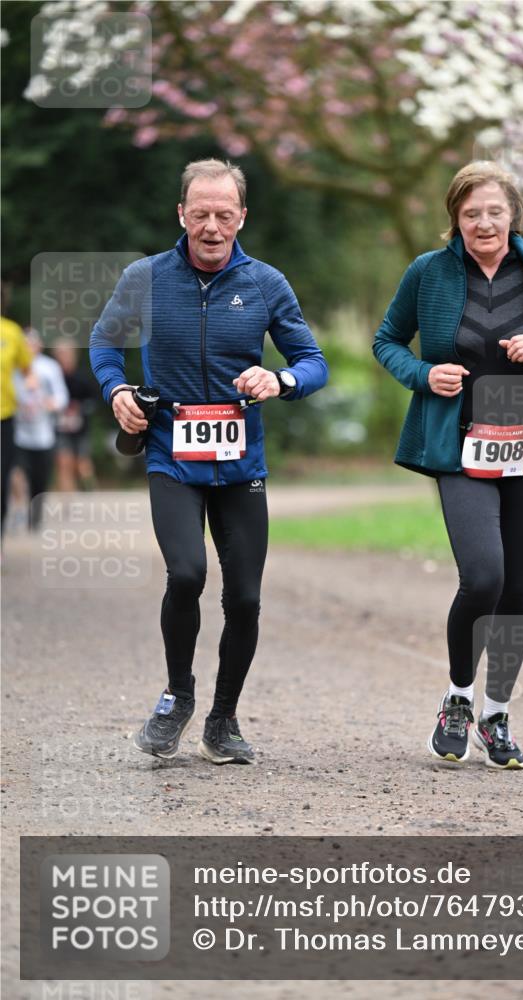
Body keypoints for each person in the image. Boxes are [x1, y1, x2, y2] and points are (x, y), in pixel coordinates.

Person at [90, 158, 327, 764]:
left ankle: (223, 719)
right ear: (181, 215)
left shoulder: (268, 284)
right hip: (171, 456)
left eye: (225, 214)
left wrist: (279, 379)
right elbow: (103, 343)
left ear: (242, 216)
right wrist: (117, 391)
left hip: (240, 464)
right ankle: (177, 696)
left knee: (244, 597)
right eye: (201, 214)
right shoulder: (144, 278)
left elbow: (312, 362)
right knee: (187, 574)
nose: (213, 226)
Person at [373, 161, 523, 770]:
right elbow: (387, 339)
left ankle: (496, 715)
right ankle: (458, 698)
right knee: (485, 576)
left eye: (495, 211)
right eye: (471, 214)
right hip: (459, 443)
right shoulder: (429, 272)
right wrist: (422, 373)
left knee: (518, 588)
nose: (484, 222)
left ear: (513, 215)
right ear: (455, 219)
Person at [13, 329, 69, 530]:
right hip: (17, 431)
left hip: (44, 433)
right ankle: (19, 510)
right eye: (25, 342)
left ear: (40, 345)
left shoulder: (49, 367)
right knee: (16, 473)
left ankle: (34, 514)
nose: (29, 346)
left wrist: (50, 404)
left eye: (32, 342)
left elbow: (62, 397)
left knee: (39, 479)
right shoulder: (12, 364)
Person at [1, 312, 33, 537]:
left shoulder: (11, 332)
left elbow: (27, 370)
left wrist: (31, 393)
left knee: (2, 478)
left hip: (4, 417)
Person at [52, 342, 98, 492]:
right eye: (61, 355)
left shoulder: (83, 378)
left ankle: (91, 492)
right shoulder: (52, 377)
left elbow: (94, 402)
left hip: (81, 428)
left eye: (67, 355)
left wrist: (80, 408)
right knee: (64, 463)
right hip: (59, 427)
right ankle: (67, 499)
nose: (64, 359)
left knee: (83, 463)